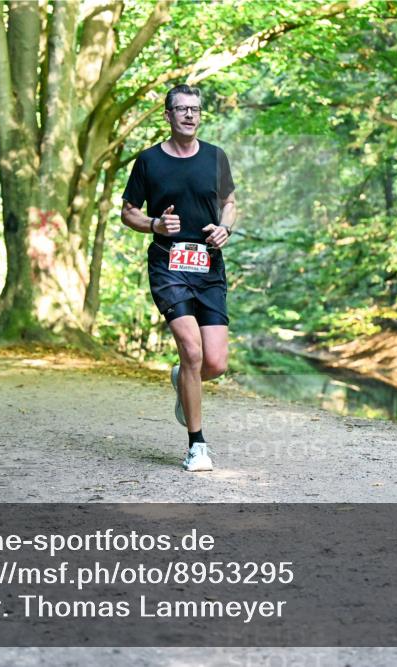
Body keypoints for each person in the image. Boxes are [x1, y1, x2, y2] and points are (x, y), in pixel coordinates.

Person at [120, 84, 237, 473]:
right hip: (168, 264)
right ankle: (197, 446)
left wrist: (225, 228)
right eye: (181, 109)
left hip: (208, 267)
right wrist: (155, 223)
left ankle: (182, 379)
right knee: (192, 351)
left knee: (214, 363)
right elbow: (128, 212)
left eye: (196, 109)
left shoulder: (216, 158)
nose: (190, 115)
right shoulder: (149, 161)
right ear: (167, 115)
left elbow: (230, 204)